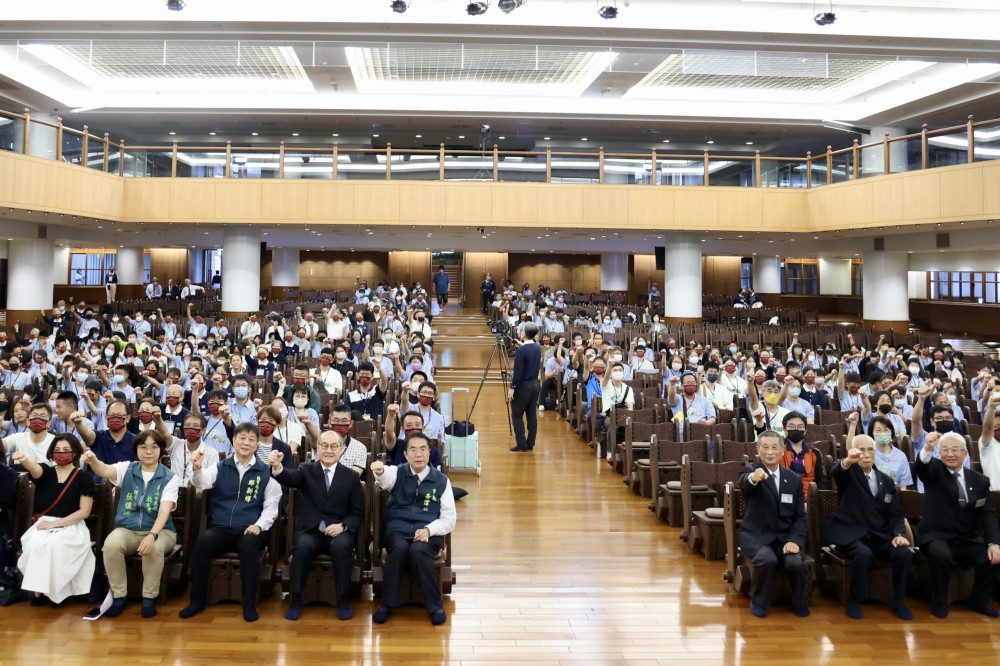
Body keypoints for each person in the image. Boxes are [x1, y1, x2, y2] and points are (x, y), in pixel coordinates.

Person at [180, 422, 281, 623]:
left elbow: (271, 506)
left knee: (249, 548)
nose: (246, 443)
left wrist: (259, 526)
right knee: (202, 544)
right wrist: (197, 468)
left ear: (257, 444)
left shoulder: (265, 472)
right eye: (242, 438)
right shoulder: (221, 466)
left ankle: (249, 603)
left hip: (250, 529)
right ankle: (197, 600)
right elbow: (201, 483)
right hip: (222, 527)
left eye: (252, 439)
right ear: (233, 441)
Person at [269, 430, 365, 621]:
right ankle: (295, 599)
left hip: (338, 530)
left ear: (341, 449)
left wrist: (343, 526)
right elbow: (289, 477)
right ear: (317, 448)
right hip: (311, 530)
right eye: (324, 446)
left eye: (333, 446)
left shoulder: (351, 477)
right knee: (302, 547)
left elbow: (358, 513)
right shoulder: (307, 469)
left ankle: (343, 600)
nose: (328, 450)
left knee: (342, 547)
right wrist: (278, 467)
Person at [84, 430, 179, 618]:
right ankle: (119, 597)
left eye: (154, 447)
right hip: (128, 529)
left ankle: (148, 598)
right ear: (136, 450)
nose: (148, 451)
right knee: (111, 544)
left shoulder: (170, 477)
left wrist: (152, 536)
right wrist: (93, 460)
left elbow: (164, 512)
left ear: (161, 450)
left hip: (162, 532)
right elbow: (103, 470)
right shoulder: (126, 469)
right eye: (143, 447)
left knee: (154, 548)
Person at [823, 434, 913, 620]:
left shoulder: (887, 481)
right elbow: (837, 472)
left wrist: (898, 534)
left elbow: (894, 515)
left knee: (903, 553)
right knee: (863, 555)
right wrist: (848, 460)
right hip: (850, 534)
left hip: (878, 535)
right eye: (861, 449)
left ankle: (898, 601)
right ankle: (854, 599)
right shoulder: (849, 474)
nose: (866, 454)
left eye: (870, 449)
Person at [370, 433, 456, 625]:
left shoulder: (441, 480)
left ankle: (435, 606)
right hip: (397, 530)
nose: (419, 454)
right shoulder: (398, 472)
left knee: (418, 551)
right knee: (399, 548)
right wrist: (379, 470)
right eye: (413, 450)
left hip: (428, 532)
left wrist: (429, 530)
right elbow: (384, 476)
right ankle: (387, 604)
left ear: (430, 452)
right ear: (406, 454)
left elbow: (449, 519)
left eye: (423, 449)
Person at [915, 431, 1000, 618]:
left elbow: (988, 514)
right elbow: (922, 467)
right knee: (941, 554)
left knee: (991, 557)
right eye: (944, 450)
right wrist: (928, 448)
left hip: (966, 538)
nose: (950, 454)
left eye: (955, 450)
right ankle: (939, 600)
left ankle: (979, 600)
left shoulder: (979, 480)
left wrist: (994, 543)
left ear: (965, 454)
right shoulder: (935, 471)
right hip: (936, 536)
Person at [14, 434, 96, 606]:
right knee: (35, 542)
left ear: (74, 453)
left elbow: (84, 512)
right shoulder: (47, 472)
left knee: (56, 545)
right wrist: (24, 459)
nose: (61, 454)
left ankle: (58, 593)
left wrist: (54, 524)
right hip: (45, 524)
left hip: (72, 525)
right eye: (57, 450)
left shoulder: (83, 477)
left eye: (66, 450)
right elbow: (34, 468)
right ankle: (39, 591)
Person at [738, 430, 809, 618]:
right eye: (765, 447)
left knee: (795, 563)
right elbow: (744, 483)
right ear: (758, 449)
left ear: (782, 451)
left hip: (785, 537)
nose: (770, 452)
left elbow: (800, 516)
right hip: (756, 536)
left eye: (774, 447)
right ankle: (759, 601)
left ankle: (799, 601)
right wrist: (753, 478)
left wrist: (795, 540)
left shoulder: (793, 479)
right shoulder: (750, 470)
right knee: (766, 559)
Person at [508, 322, 541, 452]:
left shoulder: (522, 350)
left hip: (523, 386)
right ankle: (530, 443)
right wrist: (522, 346)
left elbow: (518, 372)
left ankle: (521, 444)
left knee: (517, 415)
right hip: (534, 384)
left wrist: (512, 387)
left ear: (524, 334)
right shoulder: (537, 347)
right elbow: (530, 351)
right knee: (531, 415)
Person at [780, 412, 825, 495]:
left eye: (800, 427)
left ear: (805, 431)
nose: (796, 429)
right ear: (784, 429)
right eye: (791, 426)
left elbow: (821, 480)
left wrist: (812, 501)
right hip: (783, 497)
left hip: (809, 498)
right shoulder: (778, 450)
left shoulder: (815, 452)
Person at [980, 392, 1000, 489]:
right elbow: (987, 427)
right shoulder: (988, 443)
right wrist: (991, 407)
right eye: (995, 427)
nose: (998, 430)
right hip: (996, 495)